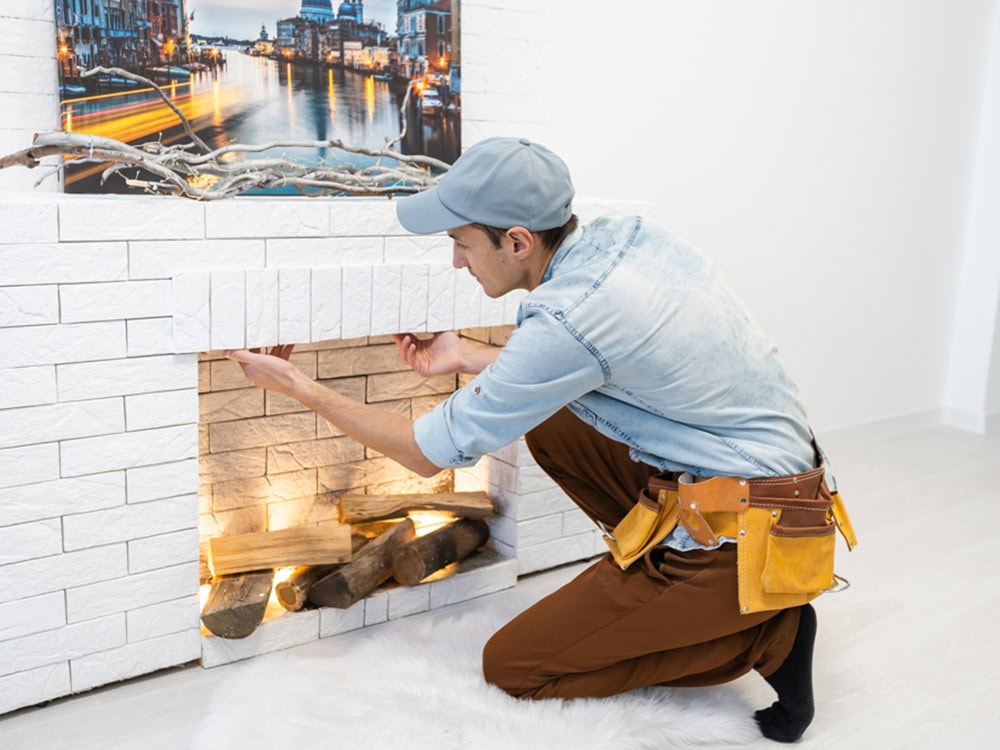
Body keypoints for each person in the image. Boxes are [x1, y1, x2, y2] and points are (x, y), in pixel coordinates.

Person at [226, 136, 852, 743]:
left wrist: (299, 388)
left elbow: (424, 453)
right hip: (756, 483)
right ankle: (659, 583)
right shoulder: (624, 240)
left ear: (518, 242)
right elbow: (585, 362)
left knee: (515, 669)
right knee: (551, 419)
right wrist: (465, 354)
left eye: (461, 243)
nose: (455, 260)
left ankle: (771, 634)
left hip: (755, 528)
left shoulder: (565, 315)